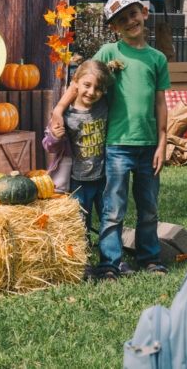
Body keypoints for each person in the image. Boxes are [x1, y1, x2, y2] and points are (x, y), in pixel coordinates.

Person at [51, 0, 170, 280]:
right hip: (117, 145)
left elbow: (160, 103)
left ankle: (149, 258)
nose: (130, 21)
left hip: (148, 144)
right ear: (114, 27)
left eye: (133, 14)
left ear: (143, 12)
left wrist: (163, 142)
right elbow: (80, 81)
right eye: (122, 20)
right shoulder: (108, 53)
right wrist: (58, 111)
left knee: (149, 207)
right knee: (113, 208)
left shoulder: (157, 59)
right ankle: (109, 263)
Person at [42, 59, 113, 279]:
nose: (92, 92)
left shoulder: (104, 105)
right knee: (80, 224)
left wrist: (113, 67)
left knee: (108, 220)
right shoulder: (65, 116)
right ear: (75, 84)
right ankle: (83, 264)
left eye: (98, 88)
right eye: (87, 85)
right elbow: (48, 145)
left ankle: (110, 263)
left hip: (103, 179)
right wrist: (55, 135)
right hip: (77, 181)